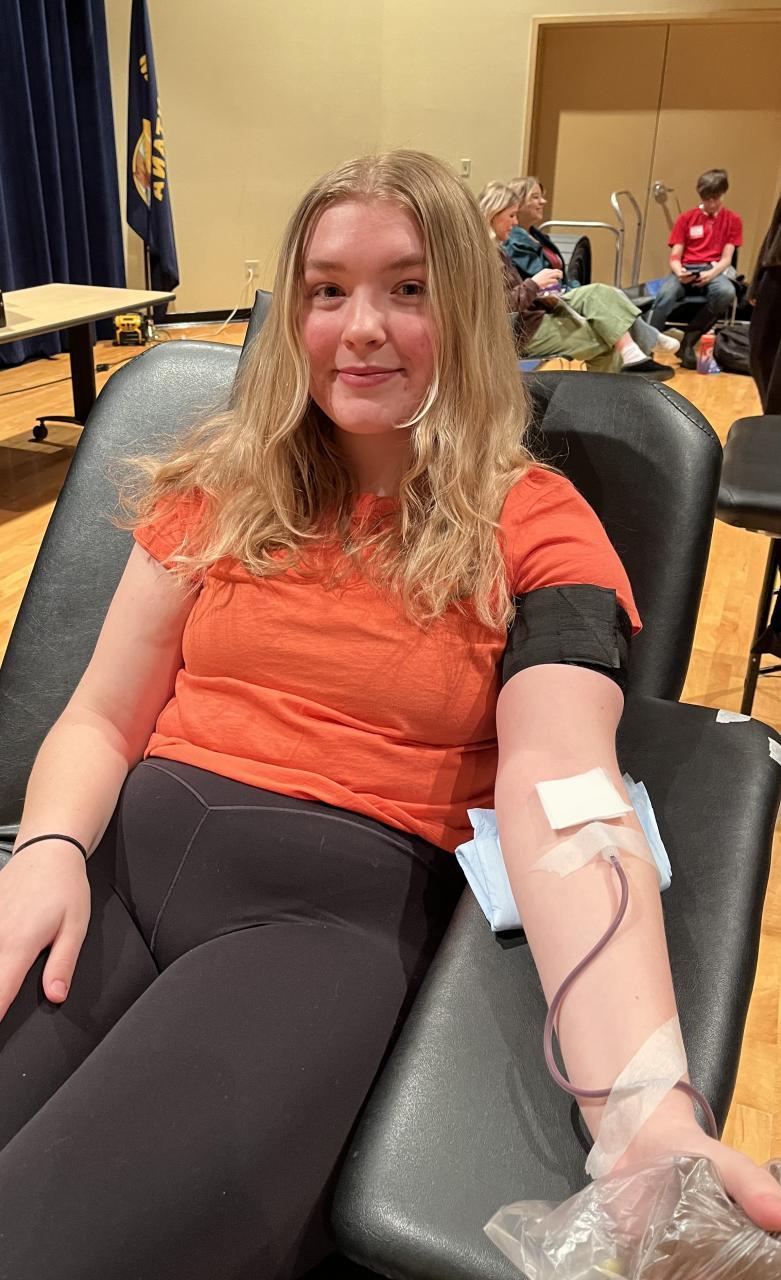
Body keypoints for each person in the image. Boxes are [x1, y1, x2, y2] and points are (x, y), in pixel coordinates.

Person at [0, 151, 779, 1280]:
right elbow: (101, 718)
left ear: (463, 305)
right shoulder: (219, 487)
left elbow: (566, 795)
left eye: (407, 288)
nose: (359, 327)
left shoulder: (540, 530)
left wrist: (644, 1113)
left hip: (315, 923)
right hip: (112, 873)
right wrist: (47, 850)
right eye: (327, 290)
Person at [480, 180, 673, 378]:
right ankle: (622, 371)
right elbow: (501, 305)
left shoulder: (501, 248)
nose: (515, 222)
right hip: (522, 330)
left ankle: (636, 353)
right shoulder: (488, 255)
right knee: (606, 341)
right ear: (494, 215)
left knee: (599, 293)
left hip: (535, 311)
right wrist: (535, 284)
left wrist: (541, 289)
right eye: (511, 215)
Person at [648, 168, 743, 369]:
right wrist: (679, 271)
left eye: (715, 198)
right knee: (665, 295)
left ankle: (689, 340)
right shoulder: (686, 218)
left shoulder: (733, 220)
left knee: (726, 292)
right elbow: (675, 255)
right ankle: (646, 347)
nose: (711, 203)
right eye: (707, 199)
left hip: (713, 269)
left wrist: (711, 274)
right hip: (686, 268)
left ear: (723, 194)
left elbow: (727, 259)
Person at [749, 193, 781, 413]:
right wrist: (758, 276)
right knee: (759, 350)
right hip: (776, 269)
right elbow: (775, 225)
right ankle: (772, 418)